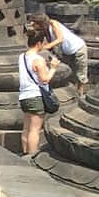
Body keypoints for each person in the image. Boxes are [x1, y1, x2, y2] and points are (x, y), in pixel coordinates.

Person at [17, 21, 59, 156]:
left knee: (26, 128)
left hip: (24, 97)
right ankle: (32, 156)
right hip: (35, 97)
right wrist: (53, 68)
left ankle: (24, 153)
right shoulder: (38, 59)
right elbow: (45, 79)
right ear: (39, 43)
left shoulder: (22, 57)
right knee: (35, 130)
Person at [34, 14, 89, 98]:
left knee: (81, 72)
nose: (33, 25)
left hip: (78, 48)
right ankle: (74, 92)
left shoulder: (53, 23)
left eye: (35, 23)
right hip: (66, 52)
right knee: (70, 71)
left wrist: (46, 46)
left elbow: (60, 39)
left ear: (41, 23)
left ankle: (81, 94)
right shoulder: (45, 30)